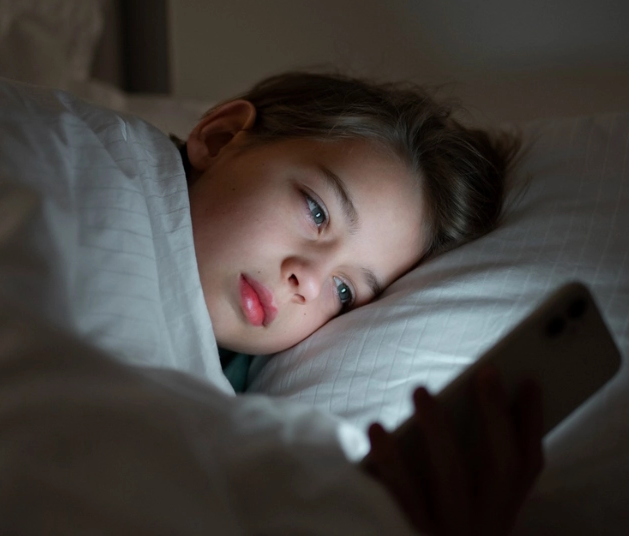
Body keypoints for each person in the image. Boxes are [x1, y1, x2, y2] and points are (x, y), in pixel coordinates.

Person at [177, 70, 544, 535]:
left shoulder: (235, 419)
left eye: (345, 291)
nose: (306, 281)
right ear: (220, 136)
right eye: (317, 212)